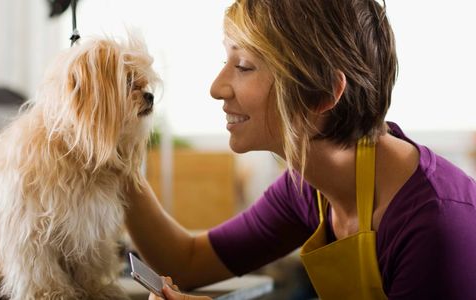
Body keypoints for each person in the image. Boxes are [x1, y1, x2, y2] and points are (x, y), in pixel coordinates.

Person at [125, 0, 476, 299]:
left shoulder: (436, 225)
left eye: (244, 66)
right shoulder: (310, 188)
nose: (217, 88)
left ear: (322, 94)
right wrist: (117, 160)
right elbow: (186, 262)